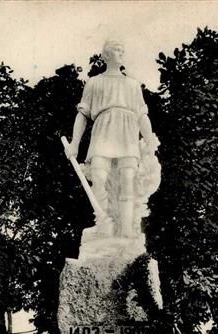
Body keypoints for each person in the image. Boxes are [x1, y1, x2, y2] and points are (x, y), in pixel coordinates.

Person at [65, 39, 157, 237]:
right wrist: (74, 144)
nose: (121, 53)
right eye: (116, 49)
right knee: (99, 177)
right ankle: (103, 224)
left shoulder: (132, 84)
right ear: (106, 55)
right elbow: (82, 114)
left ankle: (125, 229)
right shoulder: (94, 82)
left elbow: (142, 116)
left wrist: (149, 141)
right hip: (103, 131)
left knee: (127, 181)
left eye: (122, 50)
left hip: (127, 132)